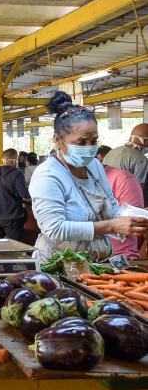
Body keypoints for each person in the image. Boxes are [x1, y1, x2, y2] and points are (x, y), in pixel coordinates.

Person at [29, 92, 148, 263]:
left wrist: (136, 216)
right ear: (57, 140)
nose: (89, 148)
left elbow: (112, 207)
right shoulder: (47, 175)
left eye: (94, 141)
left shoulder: (94, 166)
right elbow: (55, 229)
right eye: (81, 142)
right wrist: (112, 226)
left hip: (96, 262)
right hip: (58, 265)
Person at [103, 164, 143, 259]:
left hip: (118, 258)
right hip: (81, 258)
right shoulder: (66, 178)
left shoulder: (122, 179)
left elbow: (137, 225)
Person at [101, 123, 148, 188]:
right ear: (146, 141)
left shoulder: (112, 152)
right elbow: (140, 188)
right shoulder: (141, 160)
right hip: (126, 196)